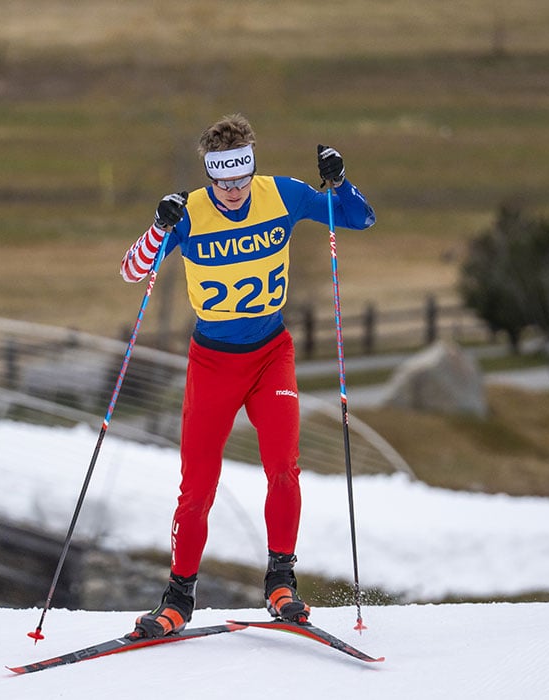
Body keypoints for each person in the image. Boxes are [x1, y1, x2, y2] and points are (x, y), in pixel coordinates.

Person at [118, 113, 376, 638]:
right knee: (198, 486)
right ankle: (177, 599)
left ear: (251, 169)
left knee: (283, 465)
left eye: (240, 180)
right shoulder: (188, 213)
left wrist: (340, 180)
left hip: (270, 356)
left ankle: (281, 582)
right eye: (222, 183)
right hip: (212, 363)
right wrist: (159, 226)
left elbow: (358, 218)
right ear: (209, 176)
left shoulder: (281, 194)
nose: (233, 192)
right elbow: (133, 270)